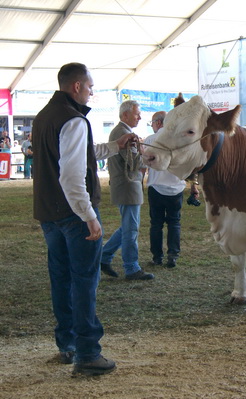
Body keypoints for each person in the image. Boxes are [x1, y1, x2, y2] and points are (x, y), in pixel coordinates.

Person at [32, 62, 138, 376]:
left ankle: (67, 345)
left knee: (61, 279)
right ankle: (88, 353)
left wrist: (114, 147)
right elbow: (72, 176)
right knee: (84, 282)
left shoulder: (44, 117)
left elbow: (75, 154)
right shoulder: (75, 120)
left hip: (49, 214)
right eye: (90, 87)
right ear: (77, 86)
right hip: (73, 216)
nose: (92, 92)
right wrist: (89, 216)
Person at [100, 101, 154, 280]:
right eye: (136, 114)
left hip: (126, 185)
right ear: (125, 115)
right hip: (128, 186)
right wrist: (145, 152)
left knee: (128, 227)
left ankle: (104, 256)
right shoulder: (124, 134)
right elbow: (134, 162)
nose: (139, 117)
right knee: (131, 229)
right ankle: (131, 267)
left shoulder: (120, 132)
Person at [144, 111, 186, 268]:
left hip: (156, 187)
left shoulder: (150, 139)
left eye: (152, 123)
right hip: (176, 187)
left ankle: (157, 256)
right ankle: (173, 255)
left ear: (159, 123)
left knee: (156, 223)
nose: (152, 126)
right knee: (174, 222)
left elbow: (144, 165)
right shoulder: (179, 140)